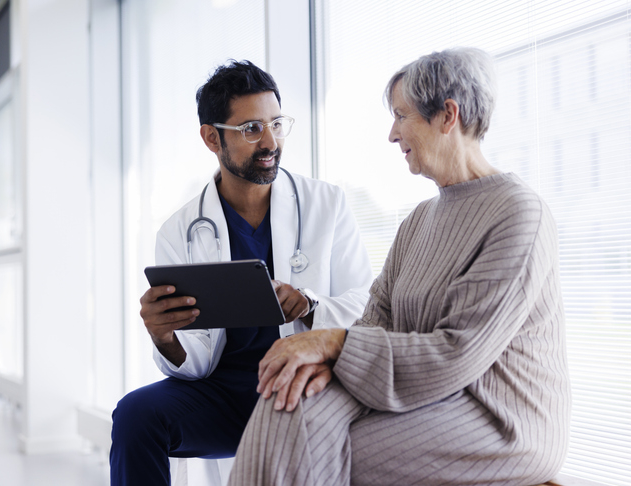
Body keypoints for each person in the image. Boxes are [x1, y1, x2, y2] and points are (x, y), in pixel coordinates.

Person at [227, 47, 572, 486]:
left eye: (401, 115)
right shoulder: (418, 221)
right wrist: (324, 358)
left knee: (316, 449)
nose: (392, 134)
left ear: (448, 116)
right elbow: (376, 320)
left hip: (498, 418)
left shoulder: (518, 214)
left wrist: (333, 345)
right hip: (421, 395)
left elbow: (457, 352)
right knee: (285, 401)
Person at [109, 60, 373, 486]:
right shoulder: (179, 232)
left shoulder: (327, 204)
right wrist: (164, 337)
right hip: (223, 394)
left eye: (276, 123)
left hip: (302, 380)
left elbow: (367, 305)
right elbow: (193, 364)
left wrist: (310, 304)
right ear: (212, 138)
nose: (270, 140)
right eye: (251, 128)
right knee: (135, 416)